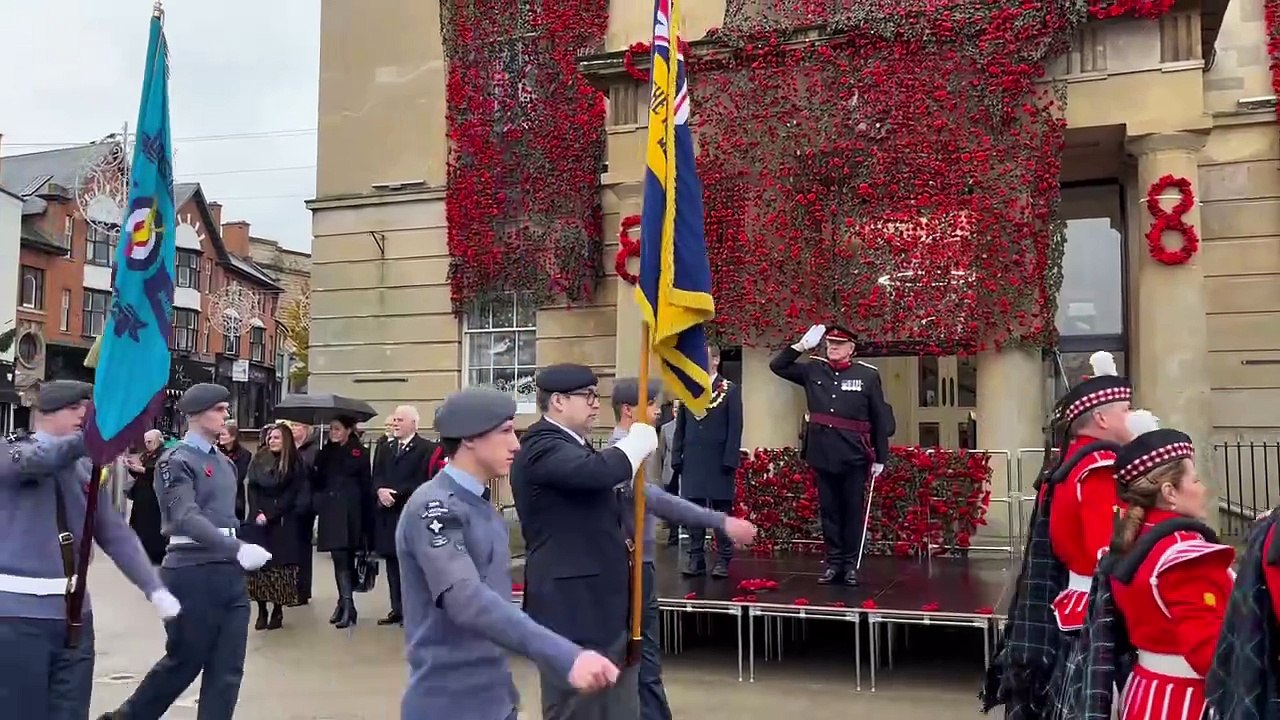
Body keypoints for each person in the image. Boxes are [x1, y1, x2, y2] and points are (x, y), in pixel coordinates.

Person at [511, 364, 757, 720]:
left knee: (620, 704)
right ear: (560, 402)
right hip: (574, 608)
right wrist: (637, 442)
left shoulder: (574, 444)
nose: (596, 404)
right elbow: (599, 474)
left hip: (605, 605)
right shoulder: (541, 444)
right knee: (577, 707)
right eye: (588, 397)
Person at [398, 387, 621, 720]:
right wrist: (565, 655)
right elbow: (465, 599)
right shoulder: (434, 508)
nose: (516, 445)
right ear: (469, 438)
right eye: (505, 432)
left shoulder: (481, 505)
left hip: (493, 702)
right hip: (446, 705)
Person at [0, 381, 179, 719]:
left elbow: (113, 533)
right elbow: (43, 458)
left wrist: (153, 588)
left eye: (88, 407)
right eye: (73, 407)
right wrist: (93, 440)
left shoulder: (85, 469)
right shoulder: (11, 452)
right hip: (16, 619)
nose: (84, 414)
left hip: (75, 619)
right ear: (44, 413)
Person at [99, 383, 272, 720]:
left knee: (227, 668)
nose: (226, 415)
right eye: (219, 409)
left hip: (228, 574)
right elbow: (184, 516)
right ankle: (129, 716)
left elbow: (228, 517)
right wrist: (236, 547)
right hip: (192, 571)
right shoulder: (175, 460)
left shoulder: (226, 463)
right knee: (185, 659)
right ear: (196, 414)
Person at [981, 350, 1136, 720]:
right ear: (1100, 417)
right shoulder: (1100, 468)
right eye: (1126, 410)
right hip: (1096, 609)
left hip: (1071, 602)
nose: (1133, 417)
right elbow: (1111, 553)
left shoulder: (1075, 460)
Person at [1077, 412, 1231, 720]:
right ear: (1169, 492)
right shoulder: (1187, 556)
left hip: (1144, 692)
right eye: (1196, 479)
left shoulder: (1131, 541)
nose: (1203, 489)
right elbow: (1212, 656)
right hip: (1188, 702)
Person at [769, 324, 892, 586]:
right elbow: (777, 366)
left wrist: (881, 457)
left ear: (851, 349)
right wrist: (800, 347)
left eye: (838, 344)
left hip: (854, 455)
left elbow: (879, 419)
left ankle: (850, 565)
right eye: (829, 344)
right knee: (829, 512)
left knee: (851, 512)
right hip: (822, 454)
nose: (832, 348)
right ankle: (834, 563)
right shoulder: (814, 369)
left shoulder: (867, 376)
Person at [671, 345, 744, 578]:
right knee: (694, 511)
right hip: (693, 458)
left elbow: (735, 427)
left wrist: (730, 458)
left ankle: (723, 558)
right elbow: (680, 427)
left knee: (720, 511)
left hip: (718, 458)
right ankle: (696, 558)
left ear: (715, 360)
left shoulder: (729, 390)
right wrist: (676, 455)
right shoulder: (688, 389)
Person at [372, 405, 436, 627]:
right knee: (391, 563)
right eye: (394, 419)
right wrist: (380, 490)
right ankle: (397, 609)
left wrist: (398, 495)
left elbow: (425, 480)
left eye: (400, 420)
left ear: (413, 424)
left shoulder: (427, 448)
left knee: (412, 565)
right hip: (388, 514)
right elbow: (376, 475)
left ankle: (415, 611)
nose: (396, 423)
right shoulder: (385, 447)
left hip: (410, 512)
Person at [244, 422, 308, 630]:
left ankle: (277, 611)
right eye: (270, 437)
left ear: (286, 440)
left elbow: (292, 494)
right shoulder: (259, 459)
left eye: (277, 437)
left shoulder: (295, 463)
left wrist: (271, 514)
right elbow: (252, 488)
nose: (272, 440)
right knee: (259, 568)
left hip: (282, 522)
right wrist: (256, 512)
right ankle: (261, 611)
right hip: (258, 520)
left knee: (279, 570)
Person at [312, 415, 372, 629]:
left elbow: (366, 485)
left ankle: (347, 604)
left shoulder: (358, 452)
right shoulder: (326, 452)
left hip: (351, 511)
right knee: (338, 558)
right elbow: (318, 479)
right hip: (331, 510)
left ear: (348, 430)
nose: (333, 433)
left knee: (345, 558)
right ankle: (345, 604)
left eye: (337, 429)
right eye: (331, 429)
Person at [125, 429, 169, 565]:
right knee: (140, 525)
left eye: (150, 441)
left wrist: (143, 470)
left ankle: (155, 555)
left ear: (158, 440)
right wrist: (132, 468)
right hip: (142, 497)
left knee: (152, 527)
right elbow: (140, 474)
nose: (147, 444)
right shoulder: (147, 455)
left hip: (153, 497)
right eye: (146, 442)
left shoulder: (164, 454)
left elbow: (159, 472)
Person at [288, 420, 320, 605]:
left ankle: (302, 590)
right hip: (290, 503)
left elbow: (315, 477)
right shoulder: (291, 449)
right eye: (291, 426)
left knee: (302, 548)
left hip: (305, 504)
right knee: (291, 547)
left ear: (306, 430)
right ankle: (291, 587)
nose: (293, 429)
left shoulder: (312, 451)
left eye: (297, 426)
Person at [217, 422, 252, 522]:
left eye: (223, 434)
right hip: (216, 498)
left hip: (235, 499)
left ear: (233, 437)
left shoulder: (244, 454)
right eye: (219, 434)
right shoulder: (215, 451)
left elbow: (238, 476)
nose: (220, 437)